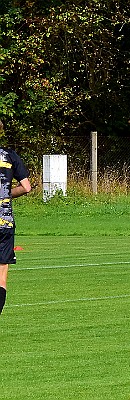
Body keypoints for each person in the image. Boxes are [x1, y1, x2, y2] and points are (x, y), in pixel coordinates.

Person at [0, 120, 31, 315]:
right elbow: (26, 187)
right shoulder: (10, 156)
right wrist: (5, 193)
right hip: (4, 222)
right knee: (1, 275)